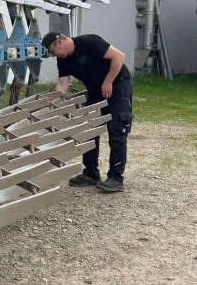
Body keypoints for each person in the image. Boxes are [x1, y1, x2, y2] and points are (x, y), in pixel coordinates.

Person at [41, 31, 132, 193]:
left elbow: (119, 56)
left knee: (117, 128)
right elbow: (63, 85)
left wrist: (108, 82)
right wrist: (51, 102)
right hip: (95, 90)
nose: (55, 56)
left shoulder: (89, 42)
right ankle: (90, 173)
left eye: (54, 52)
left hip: (117, 84)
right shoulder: (64, 60)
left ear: (59, 42)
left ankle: (116, 178)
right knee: (89, 128)